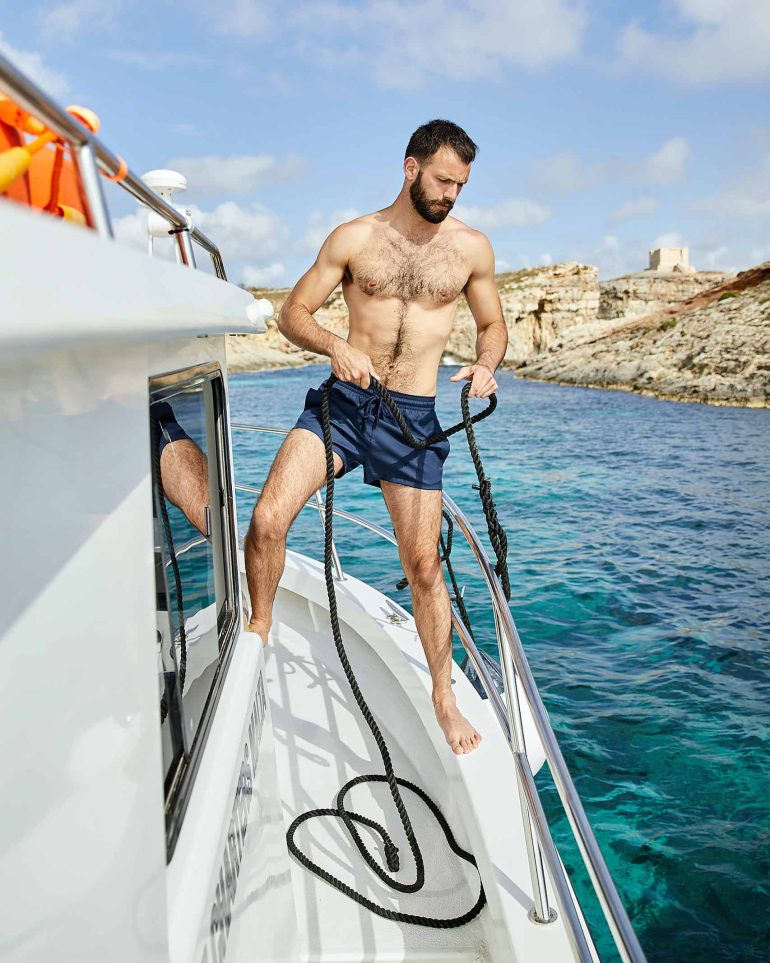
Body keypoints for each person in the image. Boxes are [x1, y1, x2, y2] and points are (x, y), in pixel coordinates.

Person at [245, 119, 508, 755]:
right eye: (443, 179)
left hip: (413, 420)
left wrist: (486, 366)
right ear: (410, 168)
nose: (451, 194)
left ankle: (444, 701)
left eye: (461, 185)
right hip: (346, 403)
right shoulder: (355, 237)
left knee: (423, 566)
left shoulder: (471, 248)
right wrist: (336, 346)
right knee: (267, 518)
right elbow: (292, 312)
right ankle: (258, 632)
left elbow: (492, 323)